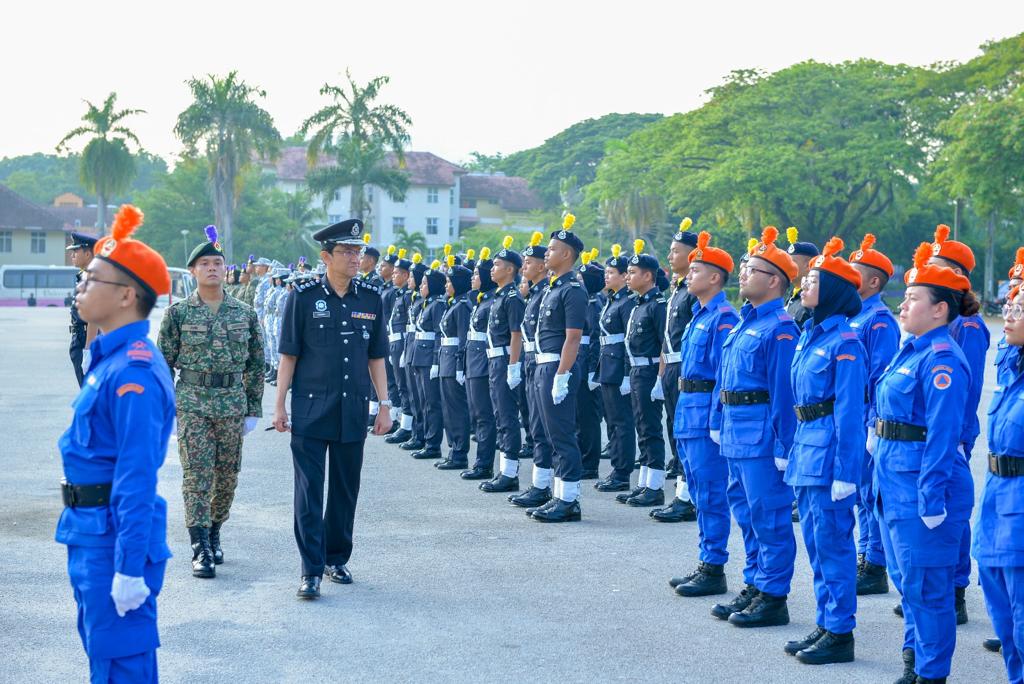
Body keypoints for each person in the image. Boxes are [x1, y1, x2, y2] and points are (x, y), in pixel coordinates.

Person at [57, 204, 175, 682]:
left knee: (122, 666)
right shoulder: (107, 360)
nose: (80, 288)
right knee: (102, 657)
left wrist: (128, 566)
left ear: (127, 295)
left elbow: (136, 475)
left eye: (92, 280)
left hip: (113, 538)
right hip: (89, 530)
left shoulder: (133, 372)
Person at [272, 218, 392, 600]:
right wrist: (279, 405)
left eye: (359, 251)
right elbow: (289, 355)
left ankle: (335, 558)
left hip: (352, 408)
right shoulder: (303, 296)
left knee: (344, 488)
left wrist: (384, 405)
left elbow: (377, 358)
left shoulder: (371, 298)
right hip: (310, 408)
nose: (356, 257)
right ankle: (310, 570)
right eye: (347, 251)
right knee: (309, 491)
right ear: (326, 256)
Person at [872, 243, 976, 683]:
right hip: (893, 479)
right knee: (908, 584)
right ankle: (914, 664)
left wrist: (932, 496)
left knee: (929, 590)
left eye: (913, 297)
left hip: (923, 485)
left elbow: (943, 433)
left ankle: (932, 675)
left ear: (939, 311)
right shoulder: (911, 350)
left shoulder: (942, 359)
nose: (904, 303)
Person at [157, 225, 265, 579]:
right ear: (192, 271)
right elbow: (163, 364)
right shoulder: (178, 314)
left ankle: (216, 531)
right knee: (196, 476)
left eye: (217, 262)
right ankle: (199, 545)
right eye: (204, 263)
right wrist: (166, 410)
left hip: (231, 404)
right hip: (191, 404)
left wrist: (252, 408)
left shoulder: (244, 314)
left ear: (224, 268)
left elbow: (255, 363)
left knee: (226, 477)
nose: (212, 268)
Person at [782, 238, 866, 664]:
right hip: (806, 447)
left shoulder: (845, 342)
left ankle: (840, 632)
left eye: (814, 278)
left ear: (833, 289)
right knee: (816, 543)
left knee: (833, 544)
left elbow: (851, 413)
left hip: (829, 453)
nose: (805, 282)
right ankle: (826, 621)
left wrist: (847, 472)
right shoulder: (810, 333)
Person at [711, 226, 799, 628]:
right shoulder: (745, 323)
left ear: (775, 280)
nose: (743, 274)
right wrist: (717, 421)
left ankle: (773, 595)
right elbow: (723, 380)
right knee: (745, 514)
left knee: (771, 517)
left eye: (753, 270)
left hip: (761, 436)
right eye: (744, 267)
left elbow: (783, 394)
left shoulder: (780, 328)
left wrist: (784, 446)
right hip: (734, 431)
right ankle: (754, 583)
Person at [668, 231, 739, 596]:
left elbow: (722, 374)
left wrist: (715, 421)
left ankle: (714, 567)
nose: (687, 275)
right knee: (696, 487)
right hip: (686, 409)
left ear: (715, 277)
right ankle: (705, 561)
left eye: (695, 270)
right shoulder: (699, 315)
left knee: (711, 491)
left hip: (704, 411)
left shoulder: (724, 318)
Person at [928, 223, 990, 625]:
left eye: (936, 265)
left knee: (952, 510)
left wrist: (960, 437)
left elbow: (966, 390)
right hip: (936, 427)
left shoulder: (967, 326)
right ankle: (938, 587)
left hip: (954, 430)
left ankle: (956, 591)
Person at [973, 285, 1024, 681]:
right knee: (1003, 616)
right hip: (997, 497)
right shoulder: (1014, 368)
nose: (1007, 314)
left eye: (1019, 309)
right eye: (1009, 305)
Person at [847, 235, 900, 597]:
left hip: (866, 414)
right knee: (859, 494)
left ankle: (875, 562)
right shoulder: (853, 314)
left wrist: (871, 423)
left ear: (875, 281)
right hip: (849, 414)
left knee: (870, 493)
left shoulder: (879, 320)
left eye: (856, 272)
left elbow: (878, 377)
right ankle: (866, 553)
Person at [526, 220, 589, 522]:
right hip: (543, 364)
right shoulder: (553, 288)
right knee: (550, 433)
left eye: (552, 250)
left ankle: (569, 500)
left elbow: (573, 337)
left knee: (563, 434)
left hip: (557, 366)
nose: (546, 254)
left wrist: (562, 375)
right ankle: (558, 494)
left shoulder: (573, 290)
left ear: (566, 255)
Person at [651, 219, 699, 521]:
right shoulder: (677, 290)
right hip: (671, 365)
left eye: (676, 251)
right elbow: (666, 337)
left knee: (686, 432)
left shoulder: (693, 292)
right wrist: (661, 374)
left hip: (686, 365)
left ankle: (687, 497)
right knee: (674, 429)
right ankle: (681, 491)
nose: (670, 256)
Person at [617, 239, 668, 508]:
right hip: (637, 369)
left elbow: (664, 344)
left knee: (651, 428)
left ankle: (656, 487)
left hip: (650, 370)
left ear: (648, 276)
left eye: (633, 272)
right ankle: (645, 482)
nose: (628, 277)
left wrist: (660, 377)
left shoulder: (657, 305)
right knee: (641, 427)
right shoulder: (638, 305)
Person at [509, 233, 556, 508]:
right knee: (535, 426)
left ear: (541, 267)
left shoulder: (546, 293)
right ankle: (539, 484)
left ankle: (546, 487)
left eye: (529, 262)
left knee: (545, 429)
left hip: (542, 362)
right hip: (531, 362)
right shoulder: (534, 293)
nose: (524, 267)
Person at [480, 237, 526, 494]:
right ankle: (504, 469)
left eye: (497, 265)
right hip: (494, 359)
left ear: (510, 269)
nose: (492, 269)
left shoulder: (513, 298)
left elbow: (516, 334)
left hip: (505, 358)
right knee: (499, 415)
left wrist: (513, 366)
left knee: (507, 416)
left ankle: (510, 473)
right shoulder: (499, 296)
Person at [594, 245, 637, 492]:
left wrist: (625, 373)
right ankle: (616, 467)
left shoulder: (627, 302)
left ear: (623, 277)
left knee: (622, 422)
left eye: (612, 273)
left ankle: (622, 473)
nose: (606, 276)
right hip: (607, 367)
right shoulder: (612, 300)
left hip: (618, 367)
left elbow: (629, 341)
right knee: (612, 422)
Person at [461, 249, 500, 481]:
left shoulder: (492, 300)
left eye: (477, 274)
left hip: (484, 364)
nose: (473, 277)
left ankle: (484, 464)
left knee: (485, 416)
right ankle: (481, 462)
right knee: (478, 415)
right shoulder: (481, 299)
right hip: (473, 362)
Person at [435, 258, 474, 470]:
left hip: (454, 362)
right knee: (448, 409)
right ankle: (453, 449)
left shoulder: (462, 306)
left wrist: (460, 365)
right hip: (445, 360)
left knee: (457, 409)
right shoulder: (454, 304)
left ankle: (460, 454)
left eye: (449, 282)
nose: (446, 286)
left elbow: (462, 339)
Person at [409, 260, 447, 460]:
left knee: (432, 403)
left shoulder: (438, 305)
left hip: (428, 358)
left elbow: (439, 335)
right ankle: (422, 437)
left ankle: (433, 444)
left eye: (425, 283)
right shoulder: (427, 304)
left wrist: (435, 361)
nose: (421, 286)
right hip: (418, 356)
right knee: (421, 401)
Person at [577, 248, 605, 479]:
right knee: (578, 414)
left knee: (588, 417)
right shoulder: (584, 301)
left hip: (587, 363)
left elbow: (595, 339)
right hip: (579, 359)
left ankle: (589, 464)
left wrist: (591, 370)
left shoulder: (594, 304)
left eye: (580, 279)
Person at [399, 255, 428, 452]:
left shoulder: (426, 302)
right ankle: (417, 434)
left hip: (423, 353)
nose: (409, 281)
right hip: (411, 349)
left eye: (412, 278)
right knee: (412, 395)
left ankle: (424, 438)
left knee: (424, 399)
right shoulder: (415, 300)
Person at [385, 249, 414, 444]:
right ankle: (399, 420)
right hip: (394, 341)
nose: (393, 275)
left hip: (402, 342)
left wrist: (403, 348)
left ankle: (406, 426)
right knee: (397, 384)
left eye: (397, 273)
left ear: (405, 275)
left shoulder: (406, 296)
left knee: (404, 386)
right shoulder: (397, 294)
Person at [67, 231, 99, 386]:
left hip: (87, 339)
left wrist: (88, 351)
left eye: (76, 251)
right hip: (80, 338)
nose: (72, 255)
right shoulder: (85, 275)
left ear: (88, 254)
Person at [378, 246, 401, 431]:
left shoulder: (394, 292)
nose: (381, 267)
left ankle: (395, 418)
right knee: (388, 379)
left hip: (393, 337)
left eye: (385, 265)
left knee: (393, 380)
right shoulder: (385, 288)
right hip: (385, 336)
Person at [784, 226, 819, 328]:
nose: (787, 267)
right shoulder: (792, 297)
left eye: (792, 262)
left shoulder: (814, 301)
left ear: (809, 265)